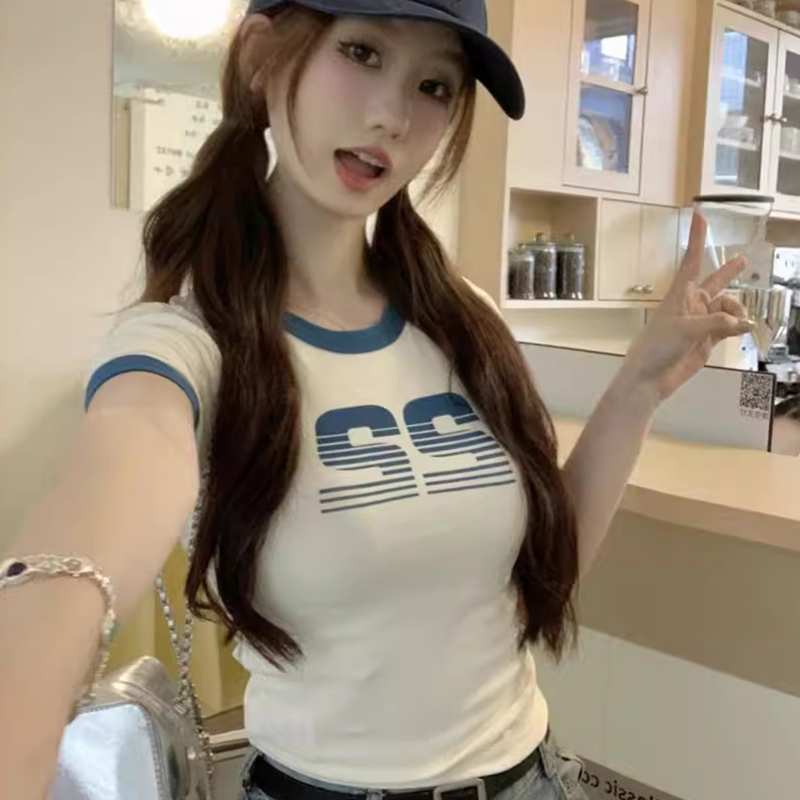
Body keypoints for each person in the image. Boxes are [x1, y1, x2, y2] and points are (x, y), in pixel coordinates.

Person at [0, 1, 754, 799]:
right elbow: (115, 475)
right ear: (261, 58)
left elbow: (545, 571)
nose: (394, 115)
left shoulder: (463, 321)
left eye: (434, 86)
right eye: (362, 52)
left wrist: (640, 386)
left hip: (534, 779)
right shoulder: (187, 342)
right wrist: (33, 661)